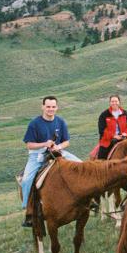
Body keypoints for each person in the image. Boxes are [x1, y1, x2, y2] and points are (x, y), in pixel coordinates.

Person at [21, 96, 82, 227]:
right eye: (48, 106)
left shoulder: (60, 122)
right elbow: (29, 145)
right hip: (38, 154)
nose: (51, 109)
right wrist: (44, 144)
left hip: (57, 152)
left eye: (53, 107)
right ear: (43, 107)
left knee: (81, 165)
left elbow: (67, 142)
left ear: (57, 107)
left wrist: (58, 146)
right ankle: (28, 210)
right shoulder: (34, 123)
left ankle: (85, 199)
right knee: (26, 179)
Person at [95, 95, 127, 159]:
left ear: (119, 102)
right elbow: (102, 130)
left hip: (123, 138)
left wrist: (125, 134)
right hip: (108, 140)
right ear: (110, 103)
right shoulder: (104, 115)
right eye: (112, 101)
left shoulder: (125, 113)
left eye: (116, 101)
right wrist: (114, 136)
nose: (114, 103)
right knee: (102, 157)